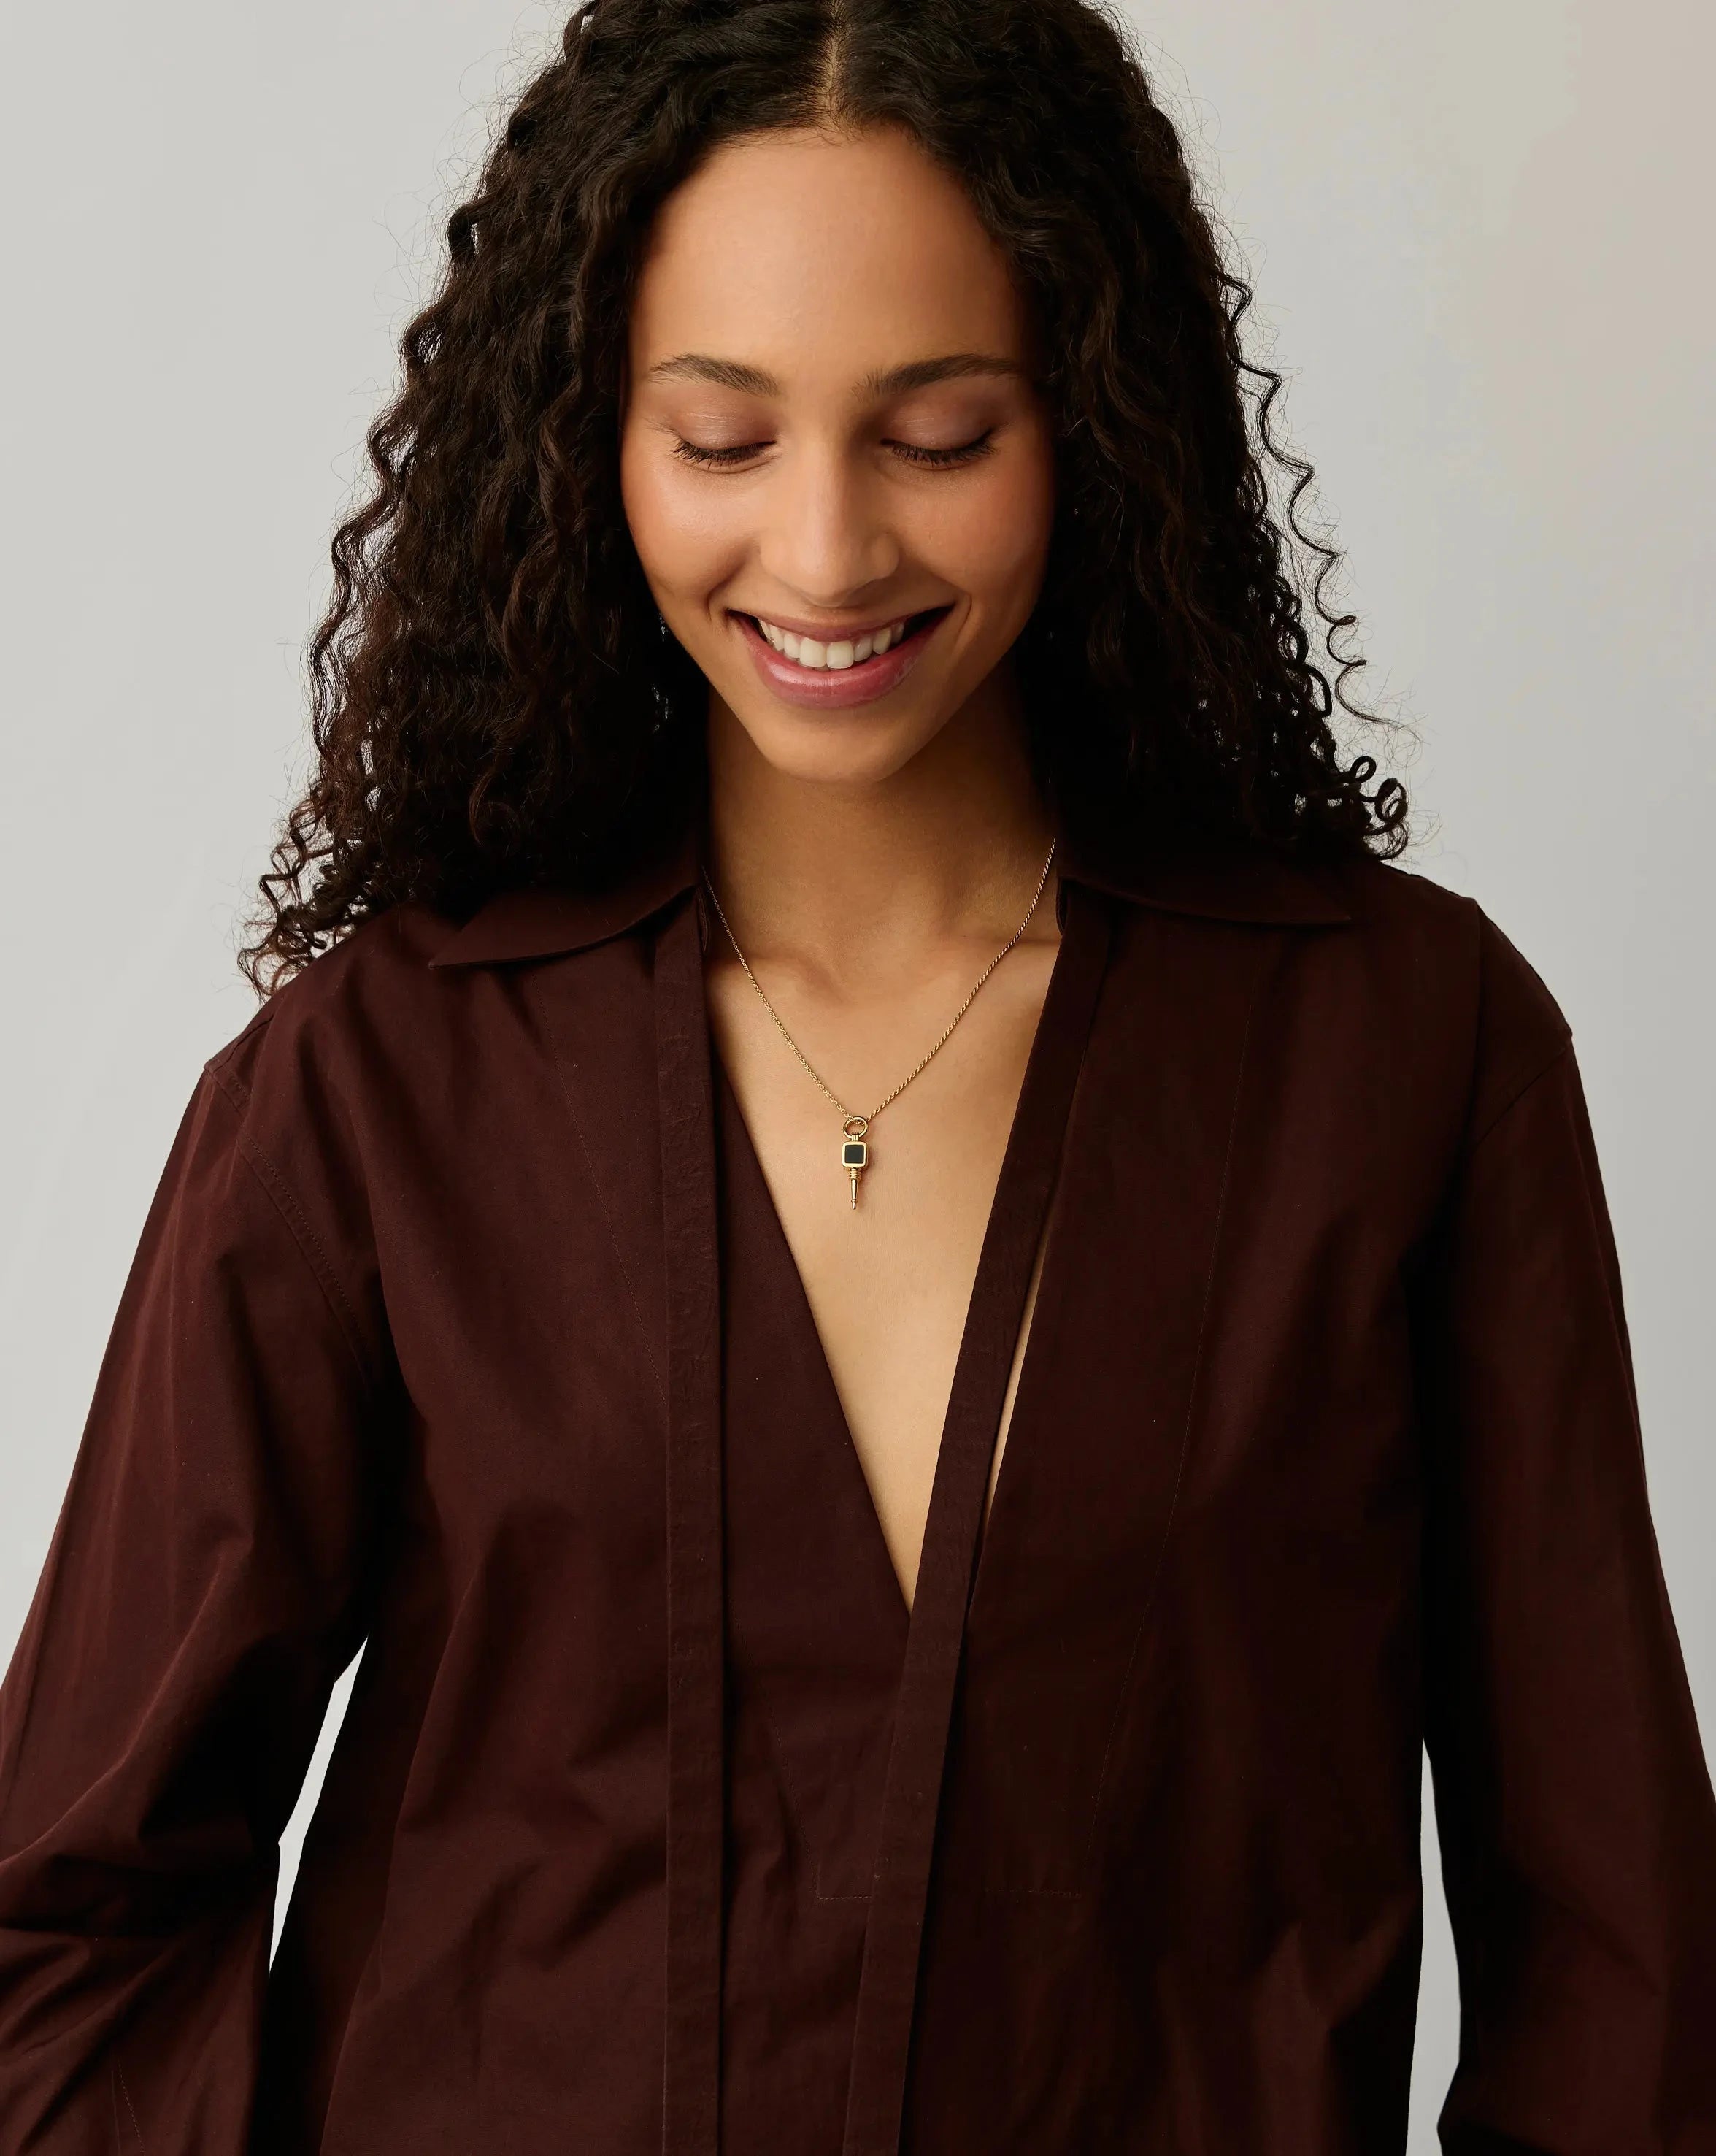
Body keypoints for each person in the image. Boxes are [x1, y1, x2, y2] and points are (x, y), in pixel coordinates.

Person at [1, 0, 1712, 2148]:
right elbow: (66, 1922)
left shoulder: (1401, 1054)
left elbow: (1620, 1975)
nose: (824, 553)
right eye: (722, 441)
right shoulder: (375, 1089)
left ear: (1092, 424)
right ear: (590, 440)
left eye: (939, 436)